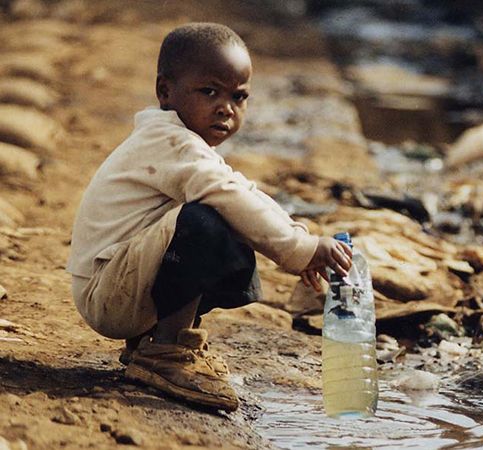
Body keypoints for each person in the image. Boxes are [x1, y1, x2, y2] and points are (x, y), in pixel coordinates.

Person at [66, 22, 352, 412]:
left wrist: (299, 238)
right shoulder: (168, 142)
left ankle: (156, 342)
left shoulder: (186, 145)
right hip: (108, 294)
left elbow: (242, 191)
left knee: (230, 224)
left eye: (239, 96)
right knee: (206, 221)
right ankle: (166, 352)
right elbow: (230, 195)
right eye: (209, 91)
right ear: (165, 91)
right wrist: (300, 249)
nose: (226, 108)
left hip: (122, 283)